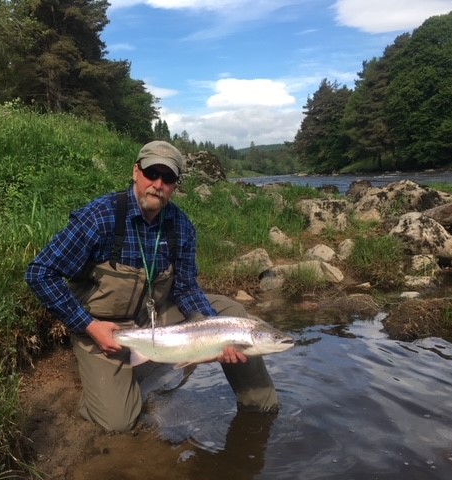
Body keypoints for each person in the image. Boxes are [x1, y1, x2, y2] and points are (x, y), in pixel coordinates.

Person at [25, 140, 279, 432]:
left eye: (168, 178)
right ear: (136, 171)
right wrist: (89, 325)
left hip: (155, 318)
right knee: (118, 422)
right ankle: (103, 391)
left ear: (175, 185)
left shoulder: (180, 226)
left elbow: (185, 288)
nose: (158, 184)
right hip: (105, 328)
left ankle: (262, 410)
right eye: (151, 173)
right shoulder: (101, 217)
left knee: (231, 314)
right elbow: (40, 272)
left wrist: (213, 333)